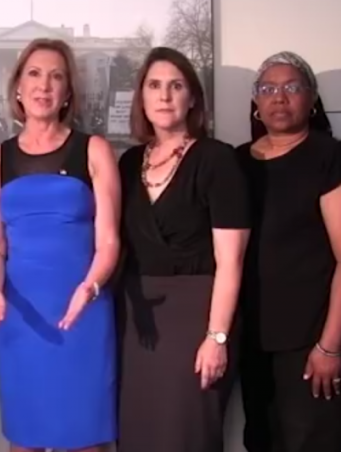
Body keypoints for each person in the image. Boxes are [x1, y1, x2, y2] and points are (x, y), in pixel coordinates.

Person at [0, 38, 120, 452]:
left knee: (84, 439)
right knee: (25, 438)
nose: (44, 85)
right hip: (19, 315)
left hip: (84, 309)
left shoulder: (94, 150)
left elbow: (108, 241)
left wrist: (91, 286)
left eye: (56, 76)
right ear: (17, 87)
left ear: (68, 91)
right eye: (34, 73)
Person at [115, 46, 249, 452]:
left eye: (176, 85)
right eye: (154, 85)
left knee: (187, 435)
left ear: (193, 97)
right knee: (139, 433)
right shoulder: (128, 163)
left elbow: (231, 260)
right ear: (141, 96)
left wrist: (217, 337)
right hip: (137, 321)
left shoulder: (217, 159)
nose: (165, 95)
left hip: (197, 319)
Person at [236, 51, 341, 452]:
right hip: (254, 338)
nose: (279, 97)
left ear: (312, 99)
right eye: (268, 89)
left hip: (312, 342)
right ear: (256, 102)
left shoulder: (331, 157)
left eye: (292, 87)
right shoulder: (237, 161)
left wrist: (330, 346)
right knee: (261, 440)